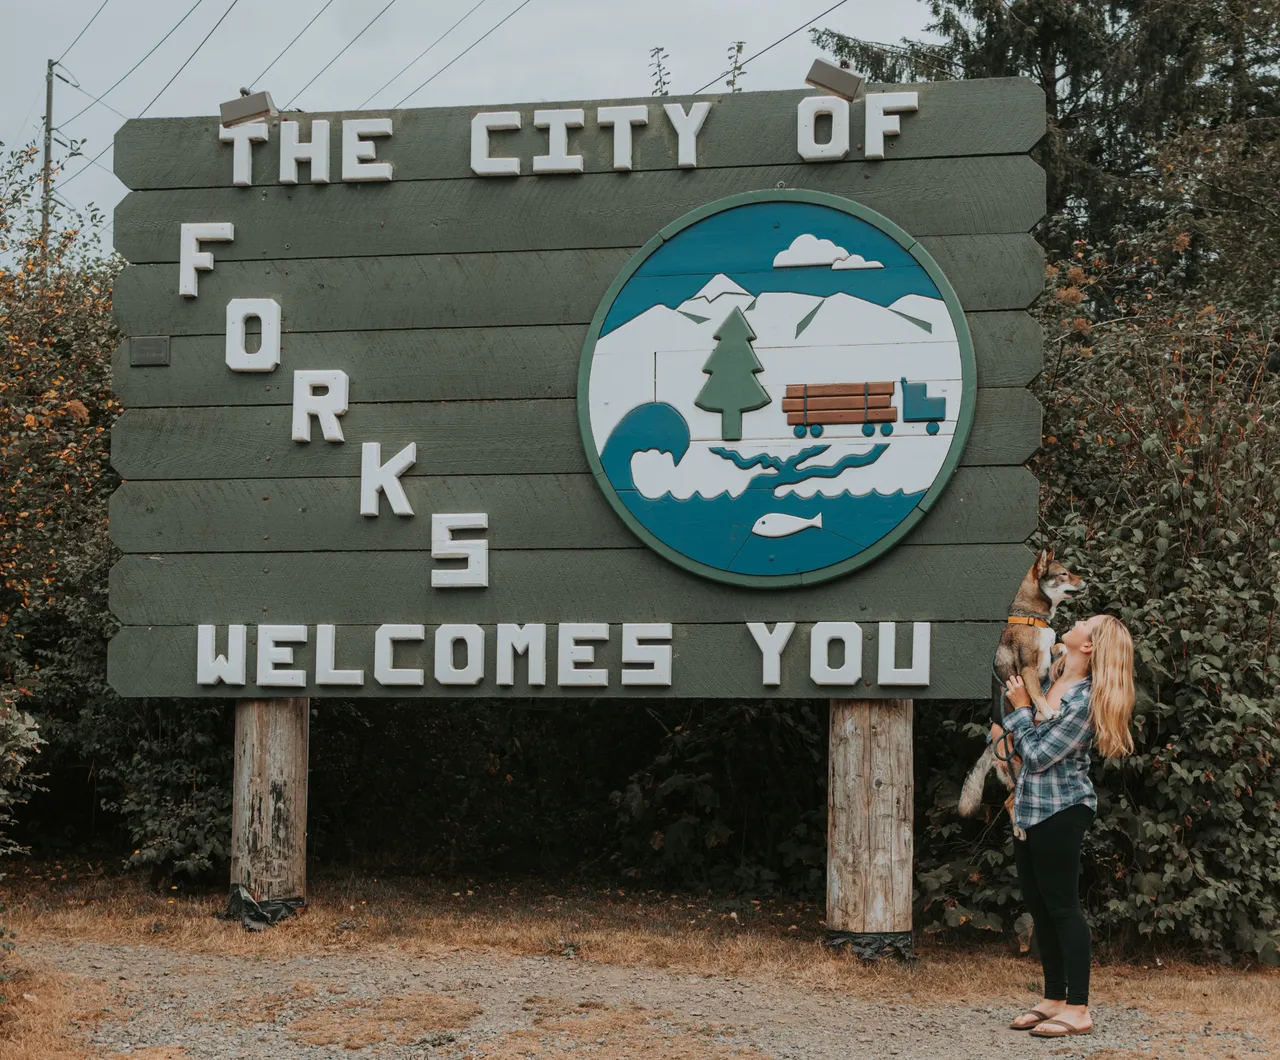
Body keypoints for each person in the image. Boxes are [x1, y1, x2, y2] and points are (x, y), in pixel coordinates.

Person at [994, 613, 1136, 1039]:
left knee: (1062, 907)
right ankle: (1054, 997)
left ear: (1089, 646)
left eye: (1084, 623)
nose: (1074, 620)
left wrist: (1019, 712)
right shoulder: (1048, 676)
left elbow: (1037, 756)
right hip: (1029, 808)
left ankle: (1079, 1009)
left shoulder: (1084, 701)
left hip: (1062, 809)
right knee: (1039, 906)